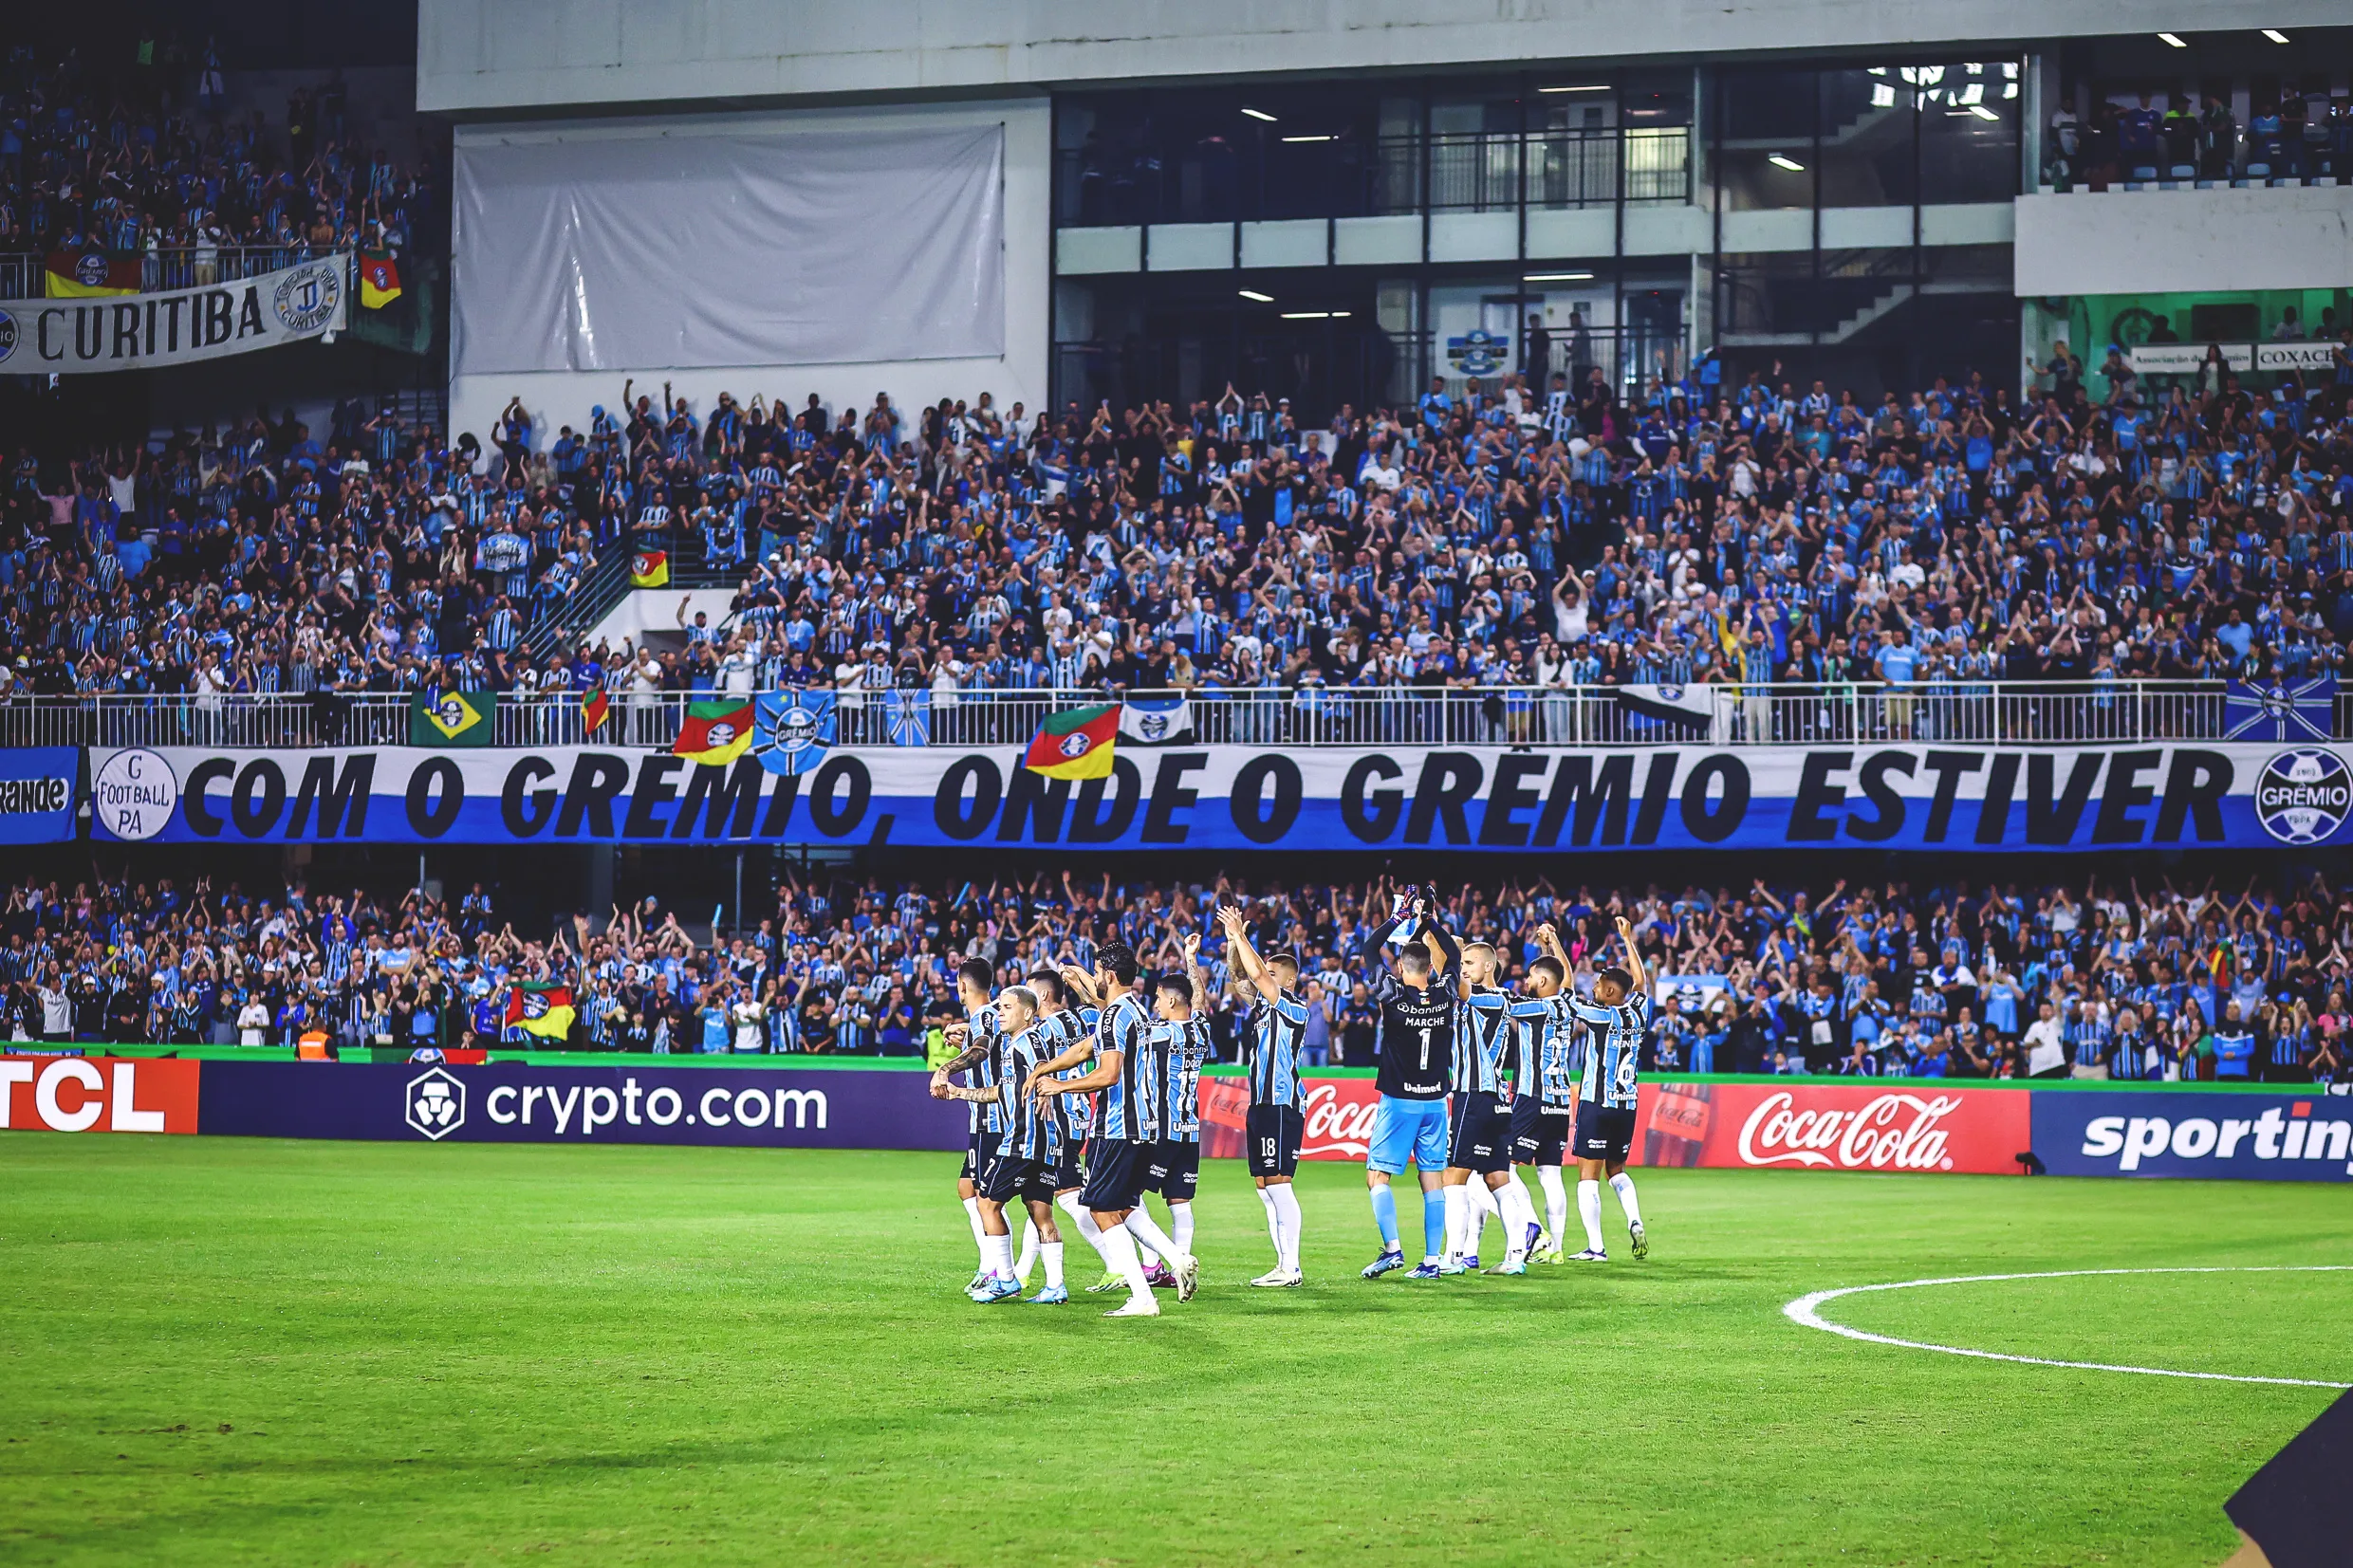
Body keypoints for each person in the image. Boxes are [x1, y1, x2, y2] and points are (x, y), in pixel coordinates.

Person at [1028, 942, 1169, 1318]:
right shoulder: (1135, 1010)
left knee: (1102, 1210)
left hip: (1119, 1124)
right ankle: (1174, 1260)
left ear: (1108, 975)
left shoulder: (1112, 1015)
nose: (1092, 979)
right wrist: (1046, 1069)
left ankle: (1143, 1295)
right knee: (1119, 1207)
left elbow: (1107, 1073)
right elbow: (1082, 1051)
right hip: (1143, 1123)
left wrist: (1059, 1085)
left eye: (1095, 972)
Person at [932, 985, 1071, 1304]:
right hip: (1045, 1143)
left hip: (1022, 1141)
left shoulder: (1026, 1043)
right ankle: (1055, 1286)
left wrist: (1047, 1088)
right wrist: (960, 1093)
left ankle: (1005, 1279)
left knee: (987, 1203)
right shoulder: (1016, 1046)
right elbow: (1003, 1092)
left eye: (1007, 1008)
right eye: (1000, 1008)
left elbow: (1043, 1069)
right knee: (1041, 1212)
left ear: (1027, 1013)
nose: (1000, 1014)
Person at [1355, 884, 1460, 1281]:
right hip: (1436, 1102)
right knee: (1432, 1179)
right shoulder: (1446, 993)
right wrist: (1428, 918)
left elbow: (1369, 949)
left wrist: (1400, 916)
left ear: (1400, 969)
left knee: (1377, 1176)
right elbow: (1453, 954)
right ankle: (1432, 1260)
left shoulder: (1392, 997)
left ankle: (1393, 1250)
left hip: (1400, 1101)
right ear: (1430, 968)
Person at [1552, 916, 1652, 1263]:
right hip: (1627, 1105)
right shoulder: (1640, 1011)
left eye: (1598, 985)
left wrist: (1555, 948)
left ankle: (1596, 1247)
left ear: (1610, 992)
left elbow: (1565, 993)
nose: (1594, 989)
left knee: (1587, 1175)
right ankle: (1635, 1219)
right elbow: (1640, 981)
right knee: (1617, 1170)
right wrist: (1628, 939)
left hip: (1597, 1102)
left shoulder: (1601, 1015)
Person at [1219, 904, 1307, 1286]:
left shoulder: (1292, 1007)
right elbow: (1240, 975)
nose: (1262, 979)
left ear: (1286, 982)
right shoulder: (1262, 1006)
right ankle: (1282, 1263)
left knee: (1279, 1183)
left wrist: (1241, 935)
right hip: (1261, 1103)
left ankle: (1292, 1266)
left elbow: (1253, 971)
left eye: (1271, 975)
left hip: (1280, 1102)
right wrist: (1230, 943)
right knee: (1264, 1186)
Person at [1452, 938, 1544, 1275]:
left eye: (1470, 963)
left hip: (1475, 1094)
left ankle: (1454, 1258)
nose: (1464, 970)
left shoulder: (1491, 998)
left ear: (1488, 966)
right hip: (1498, 1101)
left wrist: (1447, 944)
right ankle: (1515, 1257)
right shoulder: (1502, 1000)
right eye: (1462, 964)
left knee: (1453, 1177)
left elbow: (1456, 984)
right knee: (1498, 1179)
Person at [1136, 937, 1214, 1298]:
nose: (1154, 1004)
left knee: (1127, 1197)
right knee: (1179, 1201)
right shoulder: (1201, 1030)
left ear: (1169, 1001)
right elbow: (1197, 999)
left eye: (1157, 998)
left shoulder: (1157, 1034)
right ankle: (1180, 1264)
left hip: (1160, 1130)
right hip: (1190, 1129)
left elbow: (1116, 1015)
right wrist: (1190, 959)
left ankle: (1153, 1266)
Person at [928, 957, 1002, 1294]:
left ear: (961, 986)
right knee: (967, 1188)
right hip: (982, 1119)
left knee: (989, 1200)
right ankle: (990, 1265)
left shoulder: (985, 1016)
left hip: (994, 1119)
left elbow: (982, 1050)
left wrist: (946, 1068)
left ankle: (1000, 1271)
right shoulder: (983, 1018)